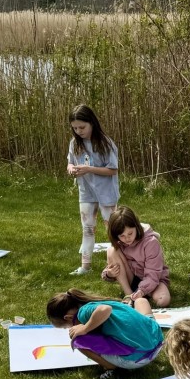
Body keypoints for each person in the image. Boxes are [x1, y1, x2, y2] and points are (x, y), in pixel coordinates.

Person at [46, 288, 162, 379]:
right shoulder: (94, 304)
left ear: (68, 318)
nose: (73, 328)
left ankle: (111, 368)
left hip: (137, 358)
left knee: (77, 340)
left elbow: (104, 310)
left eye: (70, 327)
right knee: (141, 301)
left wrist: (85, 329)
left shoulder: (83, 313)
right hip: (157, 342)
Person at [66, 104, 119, 276]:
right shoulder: (75, 143)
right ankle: (85, 266)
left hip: (106, 193)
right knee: (87, 228)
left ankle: (115, 266)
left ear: (92, 123)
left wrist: (89, 169)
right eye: (75, 128)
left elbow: (112, 170)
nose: (79, 131)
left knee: (112, 229)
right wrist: (71, 168)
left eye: (82, 127)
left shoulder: (105, 143)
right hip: (86, 192)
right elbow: (70, 161)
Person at [102, 206, 171, 308]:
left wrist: (142, 291)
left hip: (153, 280)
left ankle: (138, 295)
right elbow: (111, 268)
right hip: (132, 278)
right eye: (122, 236)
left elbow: (153, 273)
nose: (127, 238)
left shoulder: (150, 242)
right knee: (112, 250)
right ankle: (129, 294)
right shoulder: (119, 243)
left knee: (163, 300)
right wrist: (109, 274)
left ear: (136, 226)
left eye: (130, 233)